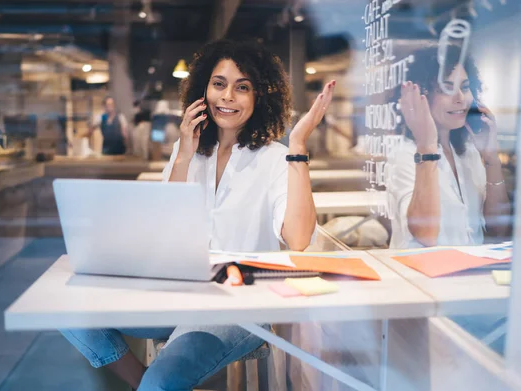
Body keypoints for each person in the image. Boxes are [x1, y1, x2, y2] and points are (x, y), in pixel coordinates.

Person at [61, 39, 335, 391]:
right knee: (70, 309)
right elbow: (161, 228)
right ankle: (145, 385)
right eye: (219, 84)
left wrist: (297, 148)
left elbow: (298, 239)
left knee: (162, 381)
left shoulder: (273, 159)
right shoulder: (186, 150)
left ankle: (153, 386)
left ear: (259, 97)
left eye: (243, 87)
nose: (227, 97)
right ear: (203, 89)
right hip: (176, 293)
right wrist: (184, 156)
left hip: (239, 305)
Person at [386, 45, 511, 249]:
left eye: (464, 87)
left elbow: (499, 230)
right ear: (421, 97)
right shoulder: (405, 154)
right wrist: (426, 147)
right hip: (422, 278)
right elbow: (426, 235)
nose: (460, 98)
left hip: (466, 275)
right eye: (447, 89)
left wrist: (491, 159)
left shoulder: (468, 152)